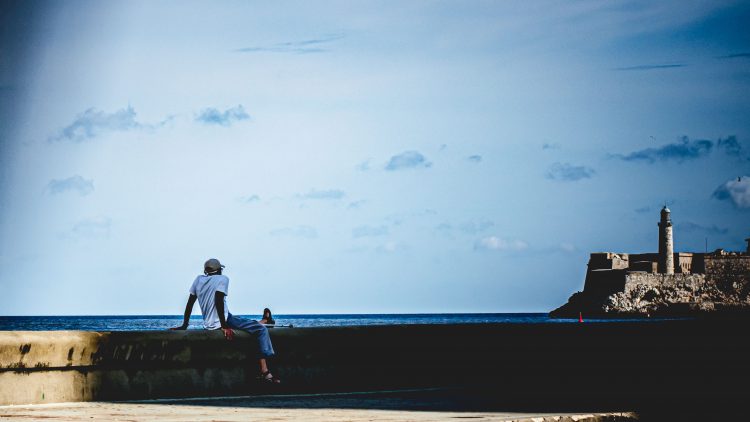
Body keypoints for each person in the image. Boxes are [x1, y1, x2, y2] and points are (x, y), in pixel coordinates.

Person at [170, 258, 280, 384]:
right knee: (261, 331)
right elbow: (218, 301)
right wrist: (224, 326)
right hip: (225, 320)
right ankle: (265, 370)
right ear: (219, 270)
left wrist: (185, 325)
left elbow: (189, 304)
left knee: (244, 322)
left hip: (209, 324)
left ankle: (264, 320)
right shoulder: (223, 279)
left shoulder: (198, 280)